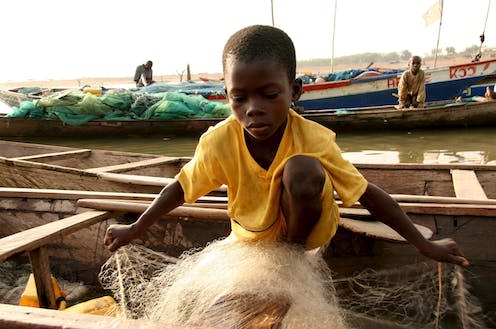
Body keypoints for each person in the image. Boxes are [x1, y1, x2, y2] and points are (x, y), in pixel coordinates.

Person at [105, 25, 468, 268]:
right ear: (227, 97)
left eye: (269, 95)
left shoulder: (313, 137)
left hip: (307, 234)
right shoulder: (219, 140)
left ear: (294, 92)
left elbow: (367, 194)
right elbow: (181, 187)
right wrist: (135, 228)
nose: (253, 109)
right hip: (252, 233)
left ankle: (291, 258)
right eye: (239, 98)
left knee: (303, 169)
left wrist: (424, 245)